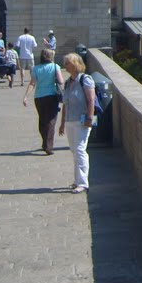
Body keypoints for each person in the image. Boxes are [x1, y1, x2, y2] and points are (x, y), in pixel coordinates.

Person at [58, 52, 95, 194]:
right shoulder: (68, 82)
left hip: (82, 120)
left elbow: (91, 100)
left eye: (67, 63)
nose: (65, 66)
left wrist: (90, 118)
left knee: (80, 150)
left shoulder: (85, 79)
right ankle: (77, 179)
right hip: (70, 120)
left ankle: (83, 183)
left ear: (74, 64)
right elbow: (65, 104)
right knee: (74, 150)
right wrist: (62, 123)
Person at [23, 47, 63, 155]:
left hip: (39, 97)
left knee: (42, 120)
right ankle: (48, 146)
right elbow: (61, 81)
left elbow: (32, 83)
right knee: (51, 121)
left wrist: (26, 96)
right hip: (52, 96)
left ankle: (45, 142)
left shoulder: (35, 68)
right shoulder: (55, 67)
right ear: (51, 57)